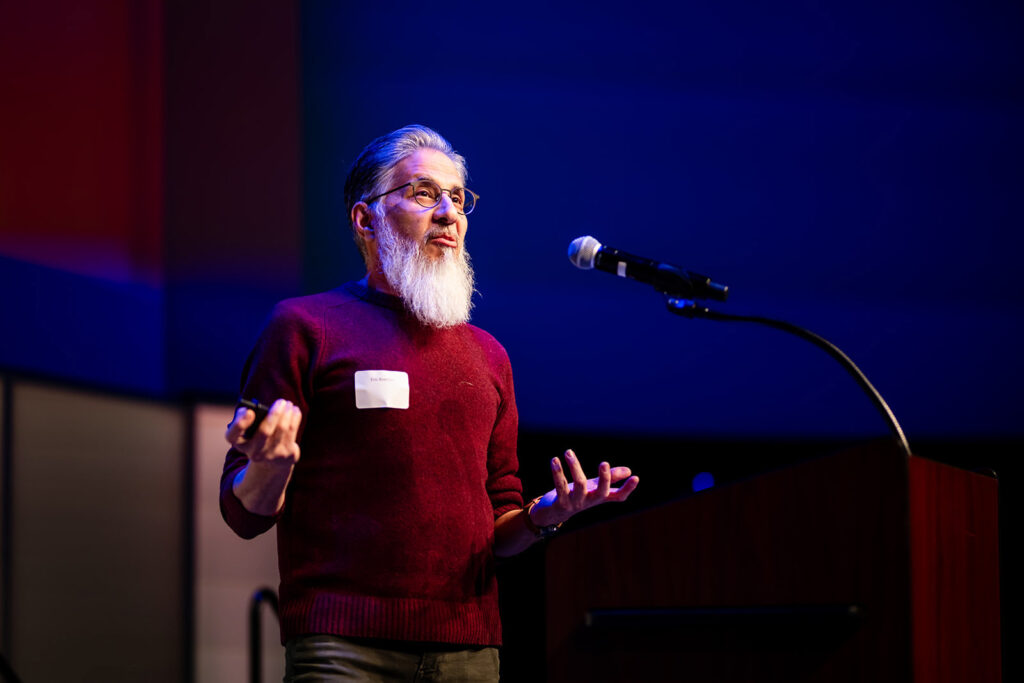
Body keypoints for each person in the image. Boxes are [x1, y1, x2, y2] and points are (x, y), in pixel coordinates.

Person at [220, 124, 638, 682]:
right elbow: (242, 515)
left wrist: (547, 516)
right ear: (365, 219)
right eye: (423, 193)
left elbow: (500, 523)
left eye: (458, 197)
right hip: (343, 647)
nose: (449, 213)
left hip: (469, 652)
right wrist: (270, 467)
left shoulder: (489, 357)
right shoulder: (305, 328)